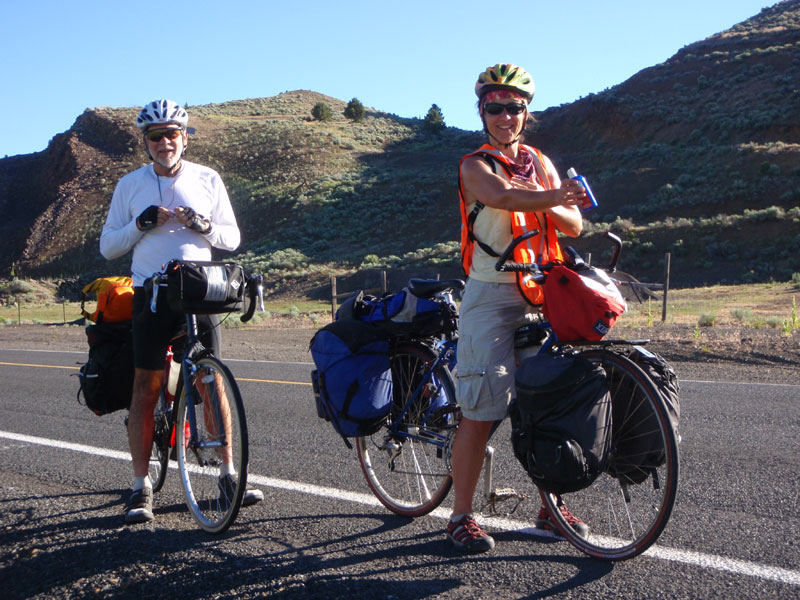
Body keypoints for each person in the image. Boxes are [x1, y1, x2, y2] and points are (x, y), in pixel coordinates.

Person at [100, 99, 263, 524]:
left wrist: (202, 225)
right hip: (151, 294)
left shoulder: (208, 178)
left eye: (172, 134)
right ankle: (140, 488)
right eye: (156, 136)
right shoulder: (129, 185)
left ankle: (229, 474)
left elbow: (231, 237)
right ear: (146, 142)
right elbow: (107, 245)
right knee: (145, 388)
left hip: (200, 291)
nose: (165, 142)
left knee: (210, 381)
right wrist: (141, 224)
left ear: (185, 138)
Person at [448, 64, 588, 552]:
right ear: (482, 111)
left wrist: (548, 195)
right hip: (491, 292)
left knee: (543, 403)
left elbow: (574, 226)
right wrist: (551, 196)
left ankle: (550, 509)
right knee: (482, 409)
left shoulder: (540, 161)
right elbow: (500, 196)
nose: (505, 116)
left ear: (527, 112)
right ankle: (460, 515)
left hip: (541, 291)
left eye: (514, 107)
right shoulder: (474, 164)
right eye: (495, 107)